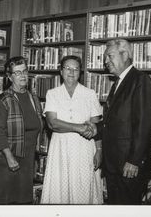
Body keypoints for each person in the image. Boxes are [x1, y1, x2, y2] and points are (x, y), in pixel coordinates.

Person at [89, 39, 151, 205]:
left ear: (125, 54)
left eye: (109, 56)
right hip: (113, 165)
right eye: (105, 58)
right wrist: (94, 128)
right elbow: (115, 122)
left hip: (129, 166)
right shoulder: (118, 83)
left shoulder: (140, 80)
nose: (106, 62)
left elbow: (144, 126)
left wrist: (134, 161)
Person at [40, 55, 103, 204]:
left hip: (84, 149)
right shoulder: (53, 94)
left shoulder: (90, 94)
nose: (71, 72)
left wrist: (99, 150)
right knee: (60, 189)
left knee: (83, 189)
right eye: (68, 68)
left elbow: (97, 126)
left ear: (80, 72)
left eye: (76, 69)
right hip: (60, 149)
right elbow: (52, 124)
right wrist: (80, 127)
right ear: (61, 71)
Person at [0, 56, 43, 204]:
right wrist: (9, 157)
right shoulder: (5, 99)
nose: (22, 75)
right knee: (7, 202)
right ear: (9, 77)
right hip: (9, 157)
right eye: (17, 73)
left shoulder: (33, 98)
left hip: (28, 157)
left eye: (24, 71)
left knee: (24, 201)